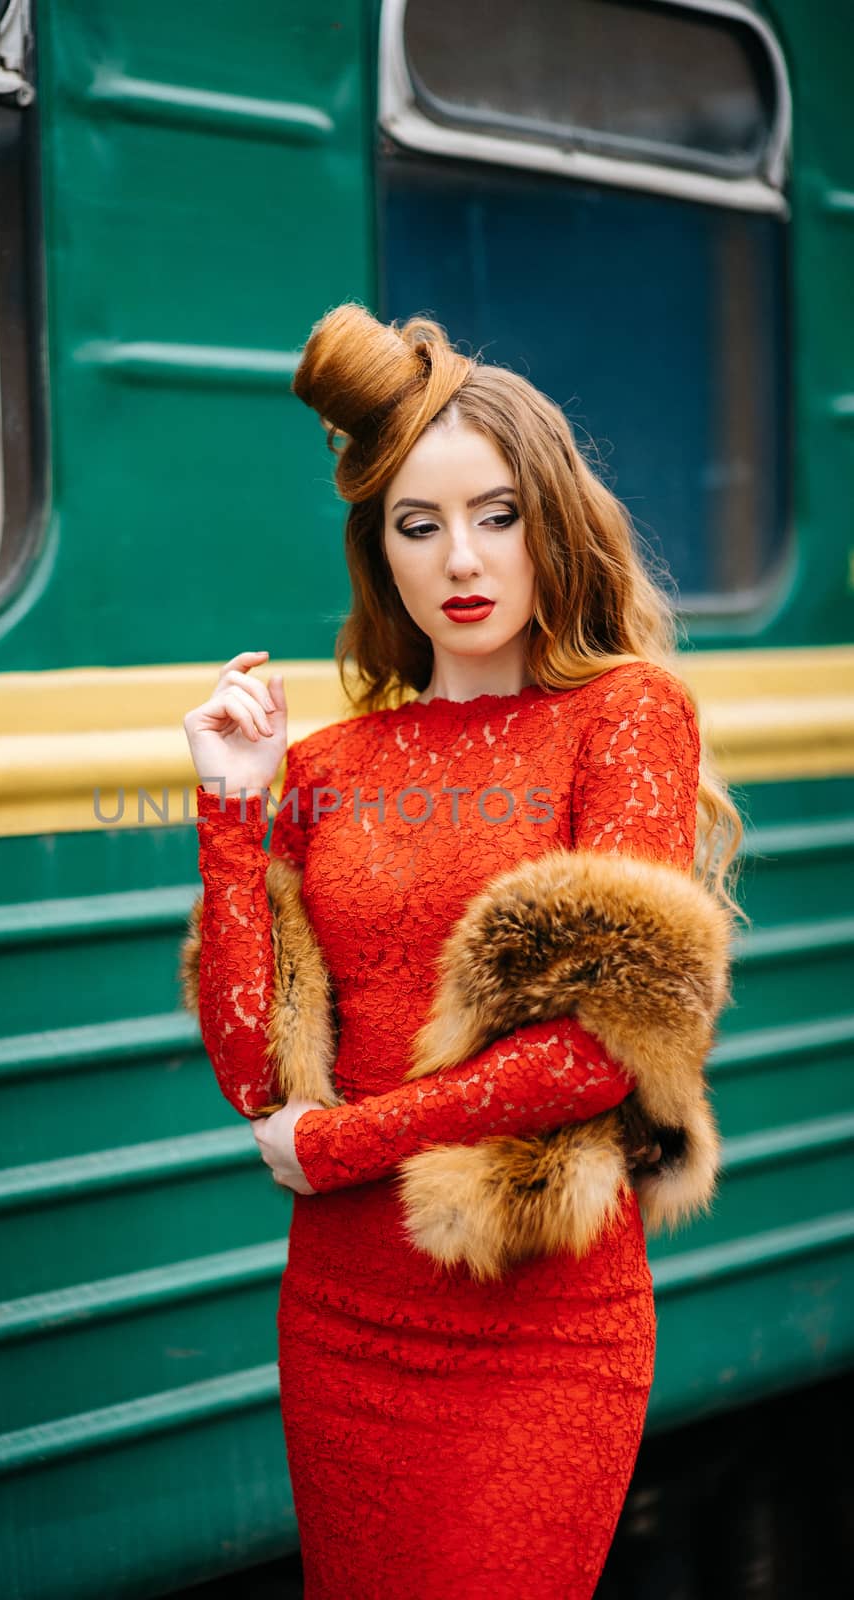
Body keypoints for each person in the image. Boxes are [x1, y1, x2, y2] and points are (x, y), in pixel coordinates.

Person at [180, 304, 744, 1598]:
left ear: (550, 521)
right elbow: (255, 1067)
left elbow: (601, 1053)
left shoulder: (627, 719)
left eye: (497, 514)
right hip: (340, 1323)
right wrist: (227, 800)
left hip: (539, 1325)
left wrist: (346, 1144)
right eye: (418, 525)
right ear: (380, 552)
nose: (462, 558)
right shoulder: (320, 767)